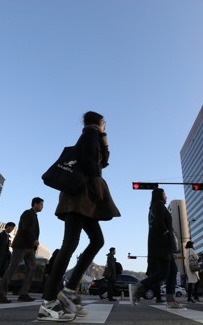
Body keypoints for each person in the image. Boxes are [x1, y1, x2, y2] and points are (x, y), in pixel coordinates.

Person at [39, 111, 120, 322]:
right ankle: (49, 302)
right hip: (80, 195)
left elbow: (105, 161)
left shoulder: (94, 135)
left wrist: (104, 138)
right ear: (99, 122)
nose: (105, 126)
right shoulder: (89, 134)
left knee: (95, 241)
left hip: (84, 197)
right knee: (71, 244)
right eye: (104, 124)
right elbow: (89, 161)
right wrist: (97, 188)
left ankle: (68, 294)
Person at [131, 188, 183, 309]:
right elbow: (160, 224)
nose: (166, 196)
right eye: (164, 194)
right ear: (160, 196)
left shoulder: (154, 207)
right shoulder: (158, 206)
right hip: (162, 245)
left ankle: (170, 300)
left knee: (172, 272)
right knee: (164, 273)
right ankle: (138, 286)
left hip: (162, 245)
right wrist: (167, 235)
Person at [0, 198, 43, 303]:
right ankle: (0, 295)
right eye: (41, 204)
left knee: (32, 268)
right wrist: (33, 239)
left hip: (30, 248)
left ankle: (23, 293)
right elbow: (25, 228)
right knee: (12, 267)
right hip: (21, 245)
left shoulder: (34, 215)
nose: (42, 207)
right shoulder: (27, 213)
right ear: (35, 204)